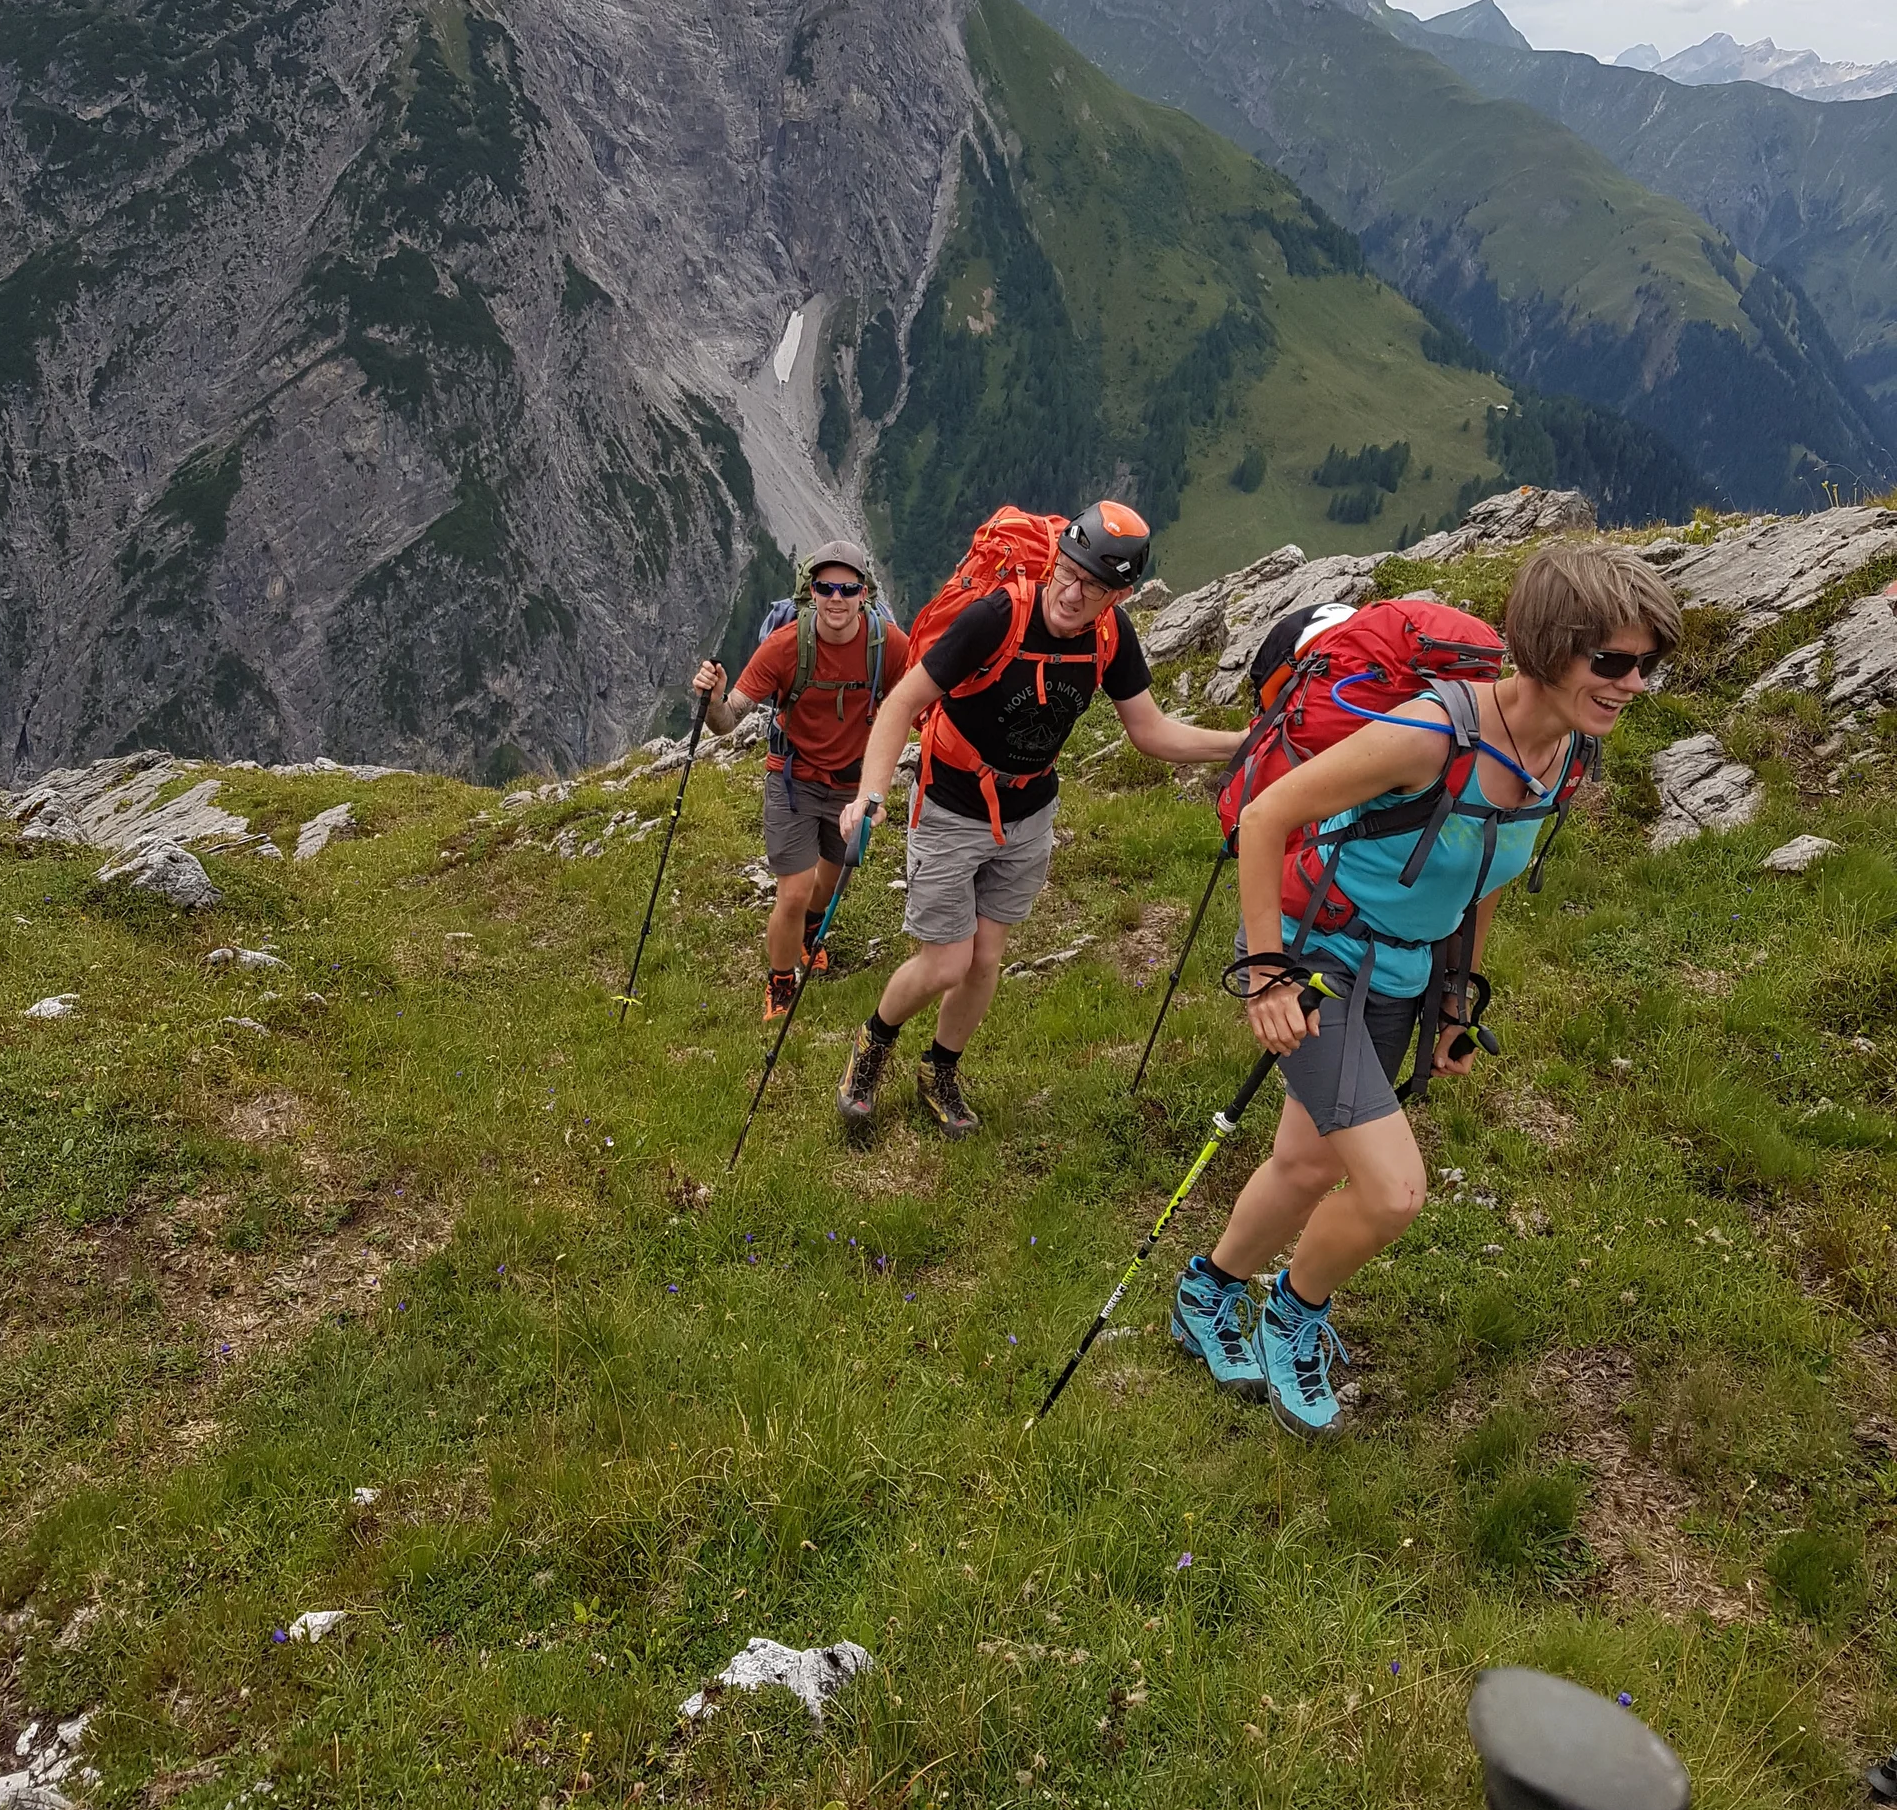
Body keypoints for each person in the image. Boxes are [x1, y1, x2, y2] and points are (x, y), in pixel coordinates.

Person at [1171, 539, 1683, 1436]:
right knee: (1393, 1192)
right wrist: (1265, 976)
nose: (1633, 683)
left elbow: (1478, 883)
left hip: (1407, 970)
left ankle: (1204, 1294)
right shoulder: (1430, 732)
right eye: (1613, 661)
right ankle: (1295, 1312)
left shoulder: (1564, 754)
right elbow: (1265, 817)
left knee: (1306, 1163)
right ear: (1548, 647)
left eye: (1646, 664)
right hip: (1321, 964)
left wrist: (1457, 1000)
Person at [833, 501, 1248, 1137]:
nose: (1072, 593)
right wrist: (870, 795)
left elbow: (1150, 732)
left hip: (1029, 811)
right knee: (945, 961)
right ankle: (873, 1043)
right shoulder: (1000, 615)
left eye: (1094, 586)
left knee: (985, 960)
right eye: (1068, 571)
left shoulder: (1111, 637)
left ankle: (939, 1070)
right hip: (952, 803)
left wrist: (1242, 743)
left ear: (1118, 594)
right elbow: (902, 705)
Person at [692, 541, 910, 1020]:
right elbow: (728, 721)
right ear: (810, 593)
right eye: (825, 587)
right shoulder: (785, 646)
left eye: (847, 588)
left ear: (864, 594)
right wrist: (712, 700)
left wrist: (882, 787)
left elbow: (910, 708)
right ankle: (782, 980)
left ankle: (813, 931)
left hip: (852, 787)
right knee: (793, 891)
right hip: (792, 781)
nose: (836, 598)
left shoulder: (889, 646)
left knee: (828, 885)